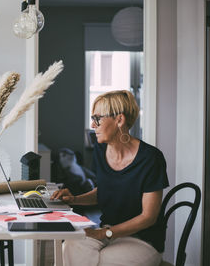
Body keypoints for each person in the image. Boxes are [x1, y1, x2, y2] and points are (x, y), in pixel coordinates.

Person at [51, 90, 169, 266]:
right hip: (108, 231)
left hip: (142, 240)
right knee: (69, 245)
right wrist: (74, 199)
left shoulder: (151, 158)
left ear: (119, 120)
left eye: (97, 118)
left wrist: (103, 234)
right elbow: (105, 192)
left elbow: (148, 217)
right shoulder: (100, 150)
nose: (92, 125)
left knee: (102, 261)